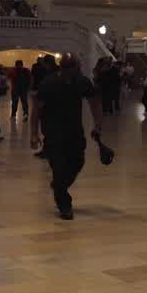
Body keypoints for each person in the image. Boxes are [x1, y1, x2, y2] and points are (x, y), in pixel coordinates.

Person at [33, 53, 104, 220]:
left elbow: (94, 102)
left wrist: (98, 125)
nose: (74, 71)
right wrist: (34, 134)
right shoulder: (49, 82)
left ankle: (59, 185)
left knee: (78, 162)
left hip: (74, 132)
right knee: (58, 168)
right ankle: (64, 204)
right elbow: (37, 109)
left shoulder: (81, 81)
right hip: (53, 133)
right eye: (71, 67)